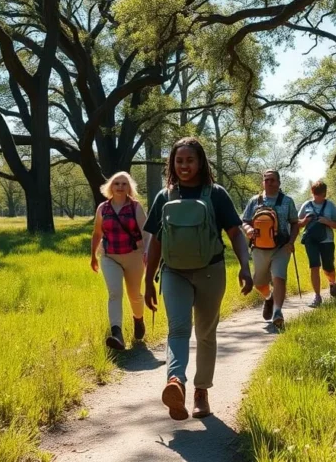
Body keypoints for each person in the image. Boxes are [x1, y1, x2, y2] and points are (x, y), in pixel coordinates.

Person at [142, 137, 252, 421]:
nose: (184, 166)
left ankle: (201, 391)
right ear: (172, 163)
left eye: (190, 160)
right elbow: (155, 242)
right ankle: (175, 382)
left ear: (201, 162)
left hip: (210, 271)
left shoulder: (215, 193)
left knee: (205, 333)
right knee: (178, 329)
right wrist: (147, 281)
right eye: (179, 161)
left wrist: (245, 266)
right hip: (173, 272)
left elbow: (236, 234)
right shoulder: (164, 196)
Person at [90, 171, 148, 350]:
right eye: (116, 183)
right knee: (114, 293)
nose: (120, 187)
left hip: (133, 256)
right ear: (110, 187)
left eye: (124, 184)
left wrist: (147, 253)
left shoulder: (135, 207)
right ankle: (117, 334)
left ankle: (138, 320)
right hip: (109, 256)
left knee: (134, 295)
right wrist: (93, 255)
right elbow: (98, 233)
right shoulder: (103, 208)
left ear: (129, 187)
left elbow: (146, 233)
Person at [241, 170, 299, 328]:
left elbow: (295, 223)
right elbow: (244, 220)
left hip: (281, 247)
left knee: (278, 277)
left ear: (279, 183)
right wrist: (248, 230)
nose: (269, 183)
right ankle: (268, 298)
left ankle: (277, 312)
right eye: (266, 180)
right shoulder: (255, 201)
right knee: (259, 283)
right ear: (263, 183)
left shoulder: (287, 201)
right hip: (259, 248)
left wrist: (291, 241)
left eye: (273, 180)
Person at [298, 180, 336, 308]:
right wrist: (305, 220)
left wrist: (328, 222)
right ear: (312, 192)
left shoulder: (330, 206)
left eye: (320, 194)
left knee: (328, 267)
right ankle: (317, 296)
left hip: (327, 240)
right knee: (314, 266)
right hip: (310, 240)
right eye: (315, 194)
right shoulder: (306, 205)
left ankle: (332, 282)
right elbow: (297, 223)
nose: (318, 196)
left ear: (325, 193)